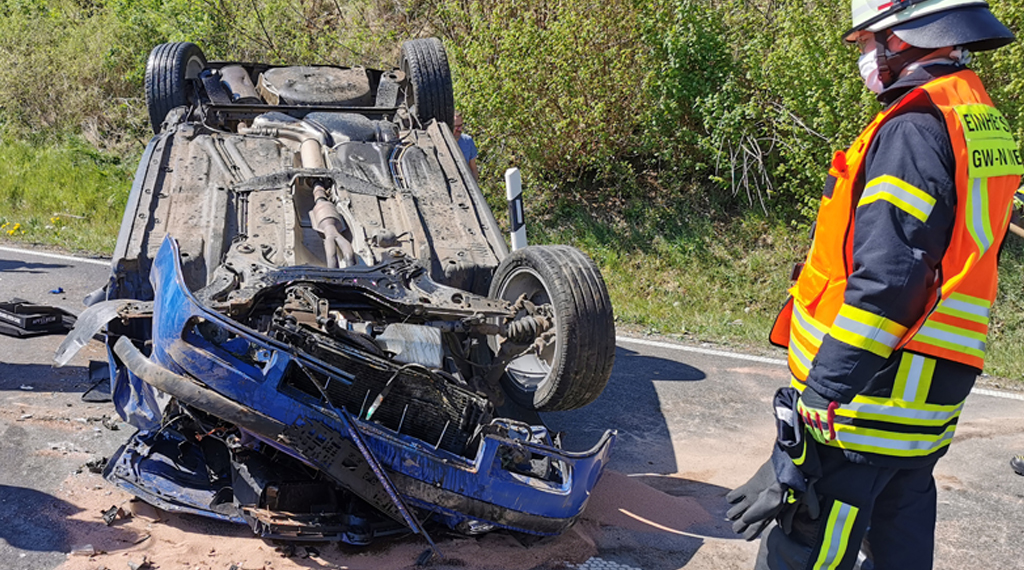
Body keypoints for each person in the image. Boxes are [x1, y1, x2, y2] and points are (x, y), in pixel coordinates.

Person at [729, 1, 1023, 568]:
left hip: (867, 404)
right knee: (899, 545)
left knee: (810, 551)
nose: (863, 56)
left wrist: (820, 396)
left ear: (905, 37)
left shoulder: (913, 129)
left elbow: (890, 281)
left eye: (867, 42)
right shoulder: (976, 114)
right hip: (925, 400)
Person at [453, 112, 480, 182]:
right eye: (456, 126)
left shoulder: (468, 141)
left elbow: (473, 168)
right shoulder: (441, 142)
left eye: (460, 126)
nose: (459, 129)